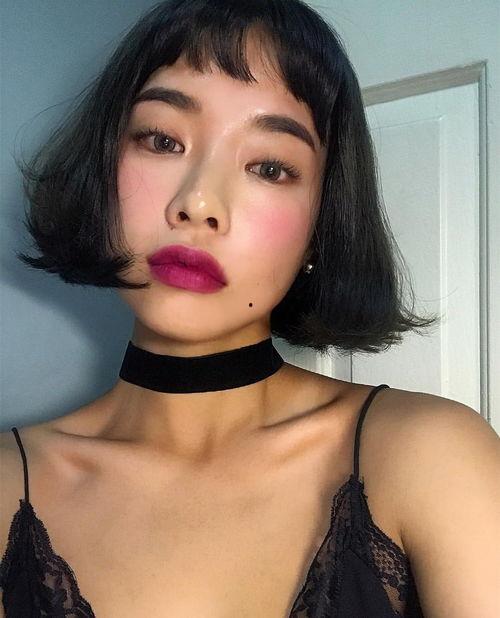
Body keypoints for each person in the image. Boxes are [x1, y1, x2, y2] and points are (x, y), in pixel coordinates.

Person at [1, 0, 499, 616]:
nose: (198, 202)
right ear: (104, 171)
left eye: (269, 167)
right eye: (162, 140)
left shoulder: (430, 454)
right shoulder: (7, 484)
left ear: (320, 226)